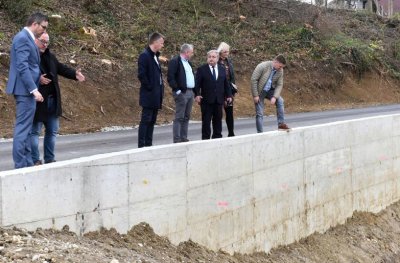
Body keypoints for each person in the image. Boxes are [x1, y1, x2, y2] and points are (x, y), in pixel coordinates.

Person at [30, 32, 85, 165]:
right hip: (37, 100)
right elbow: (23, 73)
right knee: (34, 132)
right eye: (43, 41)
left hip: (52, 101)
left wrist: (74, 74)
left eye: (47, 42)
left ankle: (49, 159)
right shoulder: (29, 55)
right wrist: (37, 78)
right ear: (35, 40)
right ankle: (35, 160)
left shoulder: (50, 56)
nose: (45, 44)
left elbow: (60, 68)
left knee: (52, 131)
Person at [6, 12, 48, 169]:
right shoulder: (23, 38)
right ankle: (21, 164)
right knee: (23, 128)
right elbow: (22, 66)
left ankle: (28, 162)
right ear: (34, 24)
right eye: (43, 27)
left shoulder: (28, 38)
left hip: (26, 90)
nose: (44, 31)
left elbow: (30, 66)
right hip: (25, 90)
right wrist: (33, 89)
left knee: (27, 127)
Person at [194, 50, 232, 140]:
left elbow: (226, 84)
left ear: (217, 58)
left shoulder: (222, 69)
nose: (211, 59)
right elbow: (196, 84)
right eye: (209, 57)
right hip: (206, 101)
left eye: (213, 57)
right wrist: (197, 94)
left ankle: (217, 138)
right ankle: (205, 140)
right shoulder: (202, 69)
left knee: (218, 121)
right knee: (206, 122)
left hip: (219, 100)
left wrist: (229, 95)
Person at [137, 32, 165, 148]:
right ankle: (142, 145)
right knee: (146, 120)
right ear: (155, 42)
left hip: (156, 95)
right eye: (162, 43)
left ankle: (149, 144)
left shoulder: (155, 56)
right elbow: (142, 75)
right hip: (149, 94)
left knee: (152, 120)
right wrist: (150, 87)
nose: (163, 45)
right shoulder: (145, 56)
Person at [251, 54, 290, 133]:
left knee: (280, 101)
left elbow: (279, 84)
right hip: (260, 91)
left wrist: (275, 97)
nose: (281, 68)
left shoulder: (280, 71)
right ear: (275, 62)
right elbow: (253, 80)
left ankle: (281, 124)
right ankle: (260, 133)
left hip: (270, 90)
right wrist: (255, 95)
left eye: (282, 67)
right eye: (280, 66)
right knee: (260, 113)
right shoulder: (262, 66)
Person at [167, 43, 195, 143]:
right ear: (187, 52)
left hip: (190, 92)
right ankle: (177, 138)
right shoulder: (175, 61)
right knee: (179, 116)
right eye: (191, 52)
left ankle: (184, 137)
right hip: (181, 92)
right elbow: (171, 77)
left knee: (187, 116)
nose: (192, 54)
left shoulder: (188, 63)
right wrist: (177, 91)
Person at [217, 42, 237, 137]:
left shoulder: (229, 61)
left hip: (229, 90)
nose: (227, 53)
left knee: (229, 112)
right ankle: (218, 133)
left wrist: (233, 89)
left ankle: (231, 132)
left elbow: (232, 76)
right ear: (220, 52)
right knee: (218, 113)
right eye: (225, 51)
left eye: (228, 51)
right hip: (219, 90)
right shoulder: (216, 61)